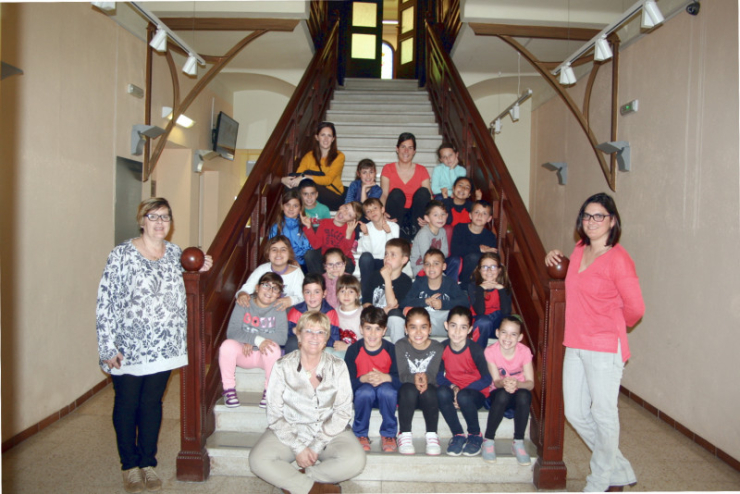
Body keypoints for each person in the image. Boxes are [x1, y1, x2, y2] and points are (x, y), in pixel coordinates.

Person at [96, 197, 213, 493]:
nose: (160, 222)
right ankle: (130, 466)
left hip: (165, 347)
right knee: (127, 405)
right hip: (129, 347)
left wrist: (204, 264)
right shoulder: (122, 254)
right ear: (141, 220)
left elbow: (190, 282)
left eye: (165, 217)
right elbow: (105, 302)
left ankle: (147, 462)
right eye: (153, 216)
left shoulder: (176, 253)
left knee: (151, 404)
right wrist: (108, 347)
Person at [545, 192, 645, 492]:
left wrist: (611, 325)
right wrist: (551, 255)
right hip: (574, 343)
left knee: (603, 414)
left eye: (599, 216)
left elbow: (636, 309)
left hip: (603, 347)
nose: (592, 221)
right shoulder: (578, 250)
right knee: (575, 411)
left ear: (612, 221)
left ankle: (600, 480)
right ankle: (620, 469)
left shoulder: (619, 259)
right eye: (587, 215)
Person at [249, 312, 366, 494]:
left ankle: (297, 480)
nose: (314, 337)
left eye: (320, 332)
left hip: (328, 431)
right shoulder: (282, 366)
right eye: (309, 331)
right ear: (299, 335)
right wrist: (298, 447)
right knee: (257, 460)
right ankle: (315, 489)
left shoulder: (338, 366)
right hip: (291, 429)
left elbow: (343, 412)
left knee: (356, 460)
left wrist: (315, 446)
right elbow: (274, 414)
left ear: (326, 338)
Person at [220, 272, 288, 410]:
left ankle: (269, 392)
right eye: (266, 285)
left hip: (264, 357)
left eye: (275, 288)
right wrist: (255, 339)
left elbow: (281, 337)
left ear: (278, 295)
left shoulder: (278, 308)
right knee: (227, 346)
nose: (270, 290)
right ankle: (229, 390)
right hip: (244, 354)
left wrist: (254, 341)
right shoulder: (244, 303)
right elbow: (232, 332)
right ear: (257, 288)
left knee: (273, 348)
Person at [436, 307, 492, 457]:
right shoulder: (442, 348)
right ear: (446, 325)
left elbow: (487, 378)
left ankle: (475, 434)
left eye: (463, 327)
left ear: (470, 330)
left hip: (475, 393)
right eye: (453, 325)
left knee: (464, 396)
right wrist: (453, 387)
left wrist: (462, 391)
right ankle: (458, 435)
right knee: (440, 392)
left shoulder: (475, 350)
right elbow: (438, 376)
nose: (457, 331)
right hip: (455, 390)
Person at [344, 307, 401, 453]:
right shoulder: (353, 350)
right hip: (362, 394)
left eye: (378, 329)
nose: (373, 334)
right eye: (368, 328)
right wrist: (362, 378)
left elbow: (401, 381)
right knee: (365, 392)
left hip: (386, 395)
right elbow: (346, 383)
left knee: (387, 391)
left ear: (384, 330)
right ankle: (360, 434)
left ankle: (389, 434)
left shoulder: (391, 350)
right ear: (361, 329)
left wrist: (385, 377)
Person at [482, 316, 534, 466]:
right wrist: (504, 383)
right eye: (504, 332)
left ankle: (518, 442)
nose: (508, 338)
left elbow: (530, 384)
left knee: (524, 396)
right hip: (498, 392)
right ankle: (488, 440)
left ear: (520, 337)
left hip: (519, 391)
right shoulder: (490, 351)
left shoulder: (524, 351)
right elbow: (496, 381)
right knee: (503, 395)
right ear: (497, 333)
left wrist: (517, 384)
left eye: (513, 334)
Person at [388, 248, 468, 342]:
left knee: (455, 315)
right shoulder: (419, 283)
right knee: (409, 311)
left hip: (443, 325)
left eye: (436, 263)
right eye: (427, 264)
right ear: (424, 267)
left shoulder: (450, 284)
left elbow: (465, 303)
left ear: (444, 266)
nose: (431, 267)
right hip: (422, 325)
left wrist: (443, 304)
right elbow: (404, 302)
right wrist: (425, 301)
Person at [395, 307, 444, 456]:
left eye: (423, 327)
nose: (418, 332)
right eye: (413, 327)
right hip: (407, 398)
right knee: (408, 389)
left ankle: (431, 434)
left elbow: (433, 373)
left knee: (430, 391)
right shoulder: (401, 345)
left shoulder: (437, 347)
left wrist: (425, 379)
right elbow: (403, 374)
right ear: (406, 329)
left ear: (430, 328)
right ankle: (405, 434)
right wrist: (414, 378)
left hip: (427, 395)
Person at [283, 122, 346, 210]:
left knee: (306, 176)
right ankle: (293, 212)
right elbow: (297, 177)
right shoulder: (309, 156)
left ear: (333, 139)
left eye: (329, 136)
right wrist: (283, 179)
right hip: (312, 193)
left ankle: (295, 209)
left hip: (333, 196)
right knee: (294, 183)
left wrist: (305, 176)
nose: (326, 139)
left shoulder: (339, 156)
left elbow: (328, 180)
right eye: (323, 135)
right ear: (317, 137)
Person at [380, 132, 432, 240]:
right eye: (403, 147)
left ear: (414, 151)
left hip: (415, 216)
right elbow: (384, 194)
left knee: (423, 192)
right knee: (396, 193)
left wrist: (430, 216)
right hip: (396, 213)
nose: (406, 151)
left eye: (410, 148)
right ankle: (399, 232)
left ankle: (413, 232)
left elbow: (429, 196)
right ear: (397, 149)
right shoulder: (388, 168)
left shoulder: (422, 170)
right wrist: (381, 211)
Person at [236, 236, 305, 311]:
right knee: (242, 302)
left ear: (289, 254)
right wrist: (242, 294)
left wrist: (290, 300)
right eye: (274, 250)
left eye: (283, 250)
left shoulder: (296, 273)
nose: (278, 253)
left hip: (284, 311)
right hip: (263, 309)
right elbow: (246, 289)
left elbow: (302, 297)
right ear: (268, 254)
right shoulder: (262, 269)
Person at [285, 274, 342, 355]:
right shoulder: (296, 311)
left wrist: (317, 337)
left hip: (321, 347)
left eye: (317, 292)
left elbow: (334, 340)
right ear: (303, 293)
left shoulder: (330, 313)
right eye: (308, 292)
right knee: (292, 342)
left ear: (324, 293)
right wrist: (295, 331)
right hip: (302, 348)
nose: (312, 296)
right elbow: (287, 335)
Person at [447, 200, 497, 288]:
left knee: (480, 259)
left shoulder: (490, 236)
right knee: (473, 257)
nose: (480, 216)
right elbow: (455, 250)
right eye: (476, 212)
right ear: (470, 215)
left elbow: (491, 256)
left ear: (489, 218)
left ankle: (470, 288)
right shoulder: (460, 228)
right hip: (459, 268)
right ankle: (463, 288)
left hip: (477, 272)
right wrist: (479, 249)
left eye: (484, 213)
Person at [302, 202, 362, 275]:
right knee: (310, 254)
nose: (345, 212)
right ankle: (319, 282)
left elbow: (344, 253)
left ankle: (338, 283)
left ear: (351, 221)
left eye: (349, 215)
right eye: (346, 208)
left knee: (347, 265)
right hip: (326, 258)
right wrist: (308, 227)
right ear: (341, 206)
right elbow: (316, 245)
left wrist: (348, 235)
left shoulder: (350, 230)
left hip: (342, 259)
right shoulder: (325, 222)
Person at [468, 253, 511, 347]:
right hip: (481, 323)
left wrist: (501, 289)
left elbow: (506, 312)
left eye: (493, 266)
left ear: (499, 270)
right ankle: (479, 355)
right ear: (479, 270)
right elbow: (480, 311)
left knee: (511, 322)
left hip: (497, 324)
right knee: (484, 321)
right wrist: (480, 289)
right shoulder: (473, 287)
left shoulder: (504, 288)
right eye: (484, 267)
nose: (489, 270)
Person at [361, 238, 412, 315]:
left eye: (393, 255)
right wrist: (379, 314)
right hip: (373, 319)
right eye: (386, 254)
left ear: (404, 260)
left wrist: (387, 278)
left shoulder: (406, 282)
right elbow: (366, 303)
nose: (387, 258)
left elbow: (393, 306)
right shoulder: (374, 276)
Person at [357, 198, 399, 289]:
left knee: (393, 259)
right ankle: (365, 297)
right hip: (372, 262)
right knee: (365, 257)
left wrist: (388, 233)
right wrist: (366, 234)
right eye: (368, 211)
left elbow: (393, 250)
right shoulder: (366, 227)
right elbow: (367, 252)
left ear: (382, 210)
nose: (372, 212)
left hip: (387, 261)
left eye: (375, 208)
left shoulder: (394, 226)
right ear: (367, 217)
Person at [269, 189, 312, 270]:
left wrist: (308, 228)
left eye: (295, 206)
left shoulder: (305, 225)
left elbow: (309, 248)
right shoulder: (276, 227)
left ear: (300, 208)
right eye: (288, 205)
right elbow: (272, 249)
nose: (291, 209)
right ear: (282, 206)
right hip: (281, 262)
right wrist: (290, 261)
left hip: (302, 264)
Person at [409, 200, 449, 277]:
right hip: (421, 267)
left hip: (437, 265)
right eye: (435, 215)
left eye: (443, 214)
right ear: (427, 218)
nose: (440, 218)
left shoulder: (442, 231)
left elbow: (445, 253)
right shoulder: (424, 233)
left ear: (447, 216)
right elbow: (427, 257)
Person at [333, 274, 363, 358]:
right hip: (338, 351)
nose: (346, 295)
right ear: (337, 294)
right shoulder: (333, 313)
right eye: (342, 291)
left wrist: (348, 347)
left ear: (357, 295)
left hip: (358, 352)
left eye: (351, 291)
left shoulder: (363, 313)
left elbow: (368, 340)